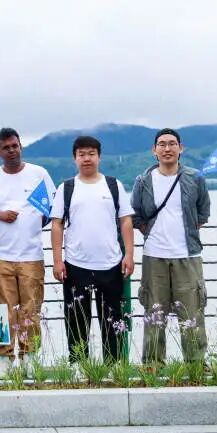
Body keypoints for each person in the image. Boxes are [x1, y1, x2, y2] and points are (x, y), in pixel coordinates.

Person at [50, 136, 135, 363]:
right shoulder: (66, 188)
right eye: (81, 154)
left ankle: (113, 363)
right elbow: (56, 224)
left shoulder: (113, 185)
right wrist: (57, 260)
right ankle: (78, 363)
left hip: (111, 263)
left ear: (99, 156)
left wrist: (129, 254)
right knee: (76, 318)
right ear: (75, 158)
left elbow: (126, 220)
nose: (86, 158)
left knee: (112, 318)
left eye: (91, 154)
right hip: (76, 264)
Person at [0, 127, 55, 378]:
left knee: (31, 308)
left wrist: (30, 226)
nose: (12, 151)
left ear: (21, 146)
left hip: (32, 254)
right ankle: (4, 358)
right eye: (6, 148)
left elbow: (51, 211)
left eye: (15, 146)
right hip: (0, 255)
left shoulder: (39, 174)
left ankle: (30, 356)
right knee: (3, 310)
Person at [131, 128, 212, 365]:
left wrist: (185, 233)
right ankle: (153, 363)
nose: (167, 149)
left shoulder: (195, 178)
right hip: (153, 255)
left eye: (172, 144)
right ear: (154, 150)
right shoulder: (143, 180)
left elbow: (203, 213)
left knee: (192, 311)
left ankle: (196, 362)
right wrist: (153, 233)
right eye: (162, 144)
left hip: (187, 254)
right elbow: (136, 215)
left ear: (181, 148)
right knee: (154, 312)